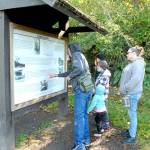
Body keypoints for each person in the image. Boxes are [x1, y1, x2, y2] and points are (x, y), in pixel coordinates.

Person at [49, 43, 93, 150]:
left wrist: (70, 76)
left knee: (79, 117)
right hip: (87, 89)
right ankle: (86, 140)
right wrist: (57, 75)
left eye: (67, 50)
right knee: (83, 116)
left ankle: (79, 145)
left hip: (81, 91)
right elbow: (75, 70)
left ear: (71, 49)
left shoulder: (76, 55)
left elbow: (78, 69)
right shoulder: (81, 55)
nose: (67, 52)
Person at [119, 46, 145, 144]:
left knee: (132, 114)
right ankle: (130, 131)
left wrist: (124, 88)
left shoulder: (138, 64)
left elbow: (135, 80)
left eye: (128, 52)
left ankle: (132, 137)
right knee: (130, 113)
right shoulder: (134, 63)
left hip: (132, 94)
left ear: (134, 53)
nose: (127, 54)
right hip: (129, 93)